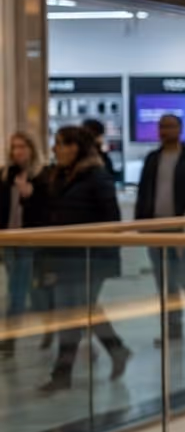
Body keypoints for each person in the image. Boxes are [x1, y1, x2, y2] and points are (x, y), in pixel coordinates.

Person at [37, 126, 130, 392]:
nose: (55, 149)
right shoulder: (60, 176)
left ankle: (62, 372)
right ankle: (116, 349)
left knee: (75, 312)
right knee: (82, 310)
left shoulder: (96, 177)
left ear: (75, 147)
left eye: (60, 143)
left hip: (90, 258)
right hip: (65, 257)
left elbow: (111, 222)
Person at [134, 114, 185, 346]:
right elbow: (143, 192)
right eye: (161, 126)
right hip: (155, 229)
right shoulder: (152, 159)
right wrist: (141, 223)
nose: (165, 131)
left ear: (180, 129)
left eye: (170, 126)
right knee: (164, 283)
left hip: (182, 230)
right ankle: (173, 329)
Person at [1, 133, 46, 354]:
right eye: (14, 147)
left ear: (31, 149)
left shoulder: (41, 175)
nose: (17, 152)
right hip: (8, 239)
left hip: (30, 240)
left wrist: (29, 195)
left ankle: (10, 338)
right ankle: (51, 325)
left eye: (22, 147)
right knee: (25, 288)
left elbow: (46, 211)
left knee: (19, 289)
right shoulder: (5, 175)